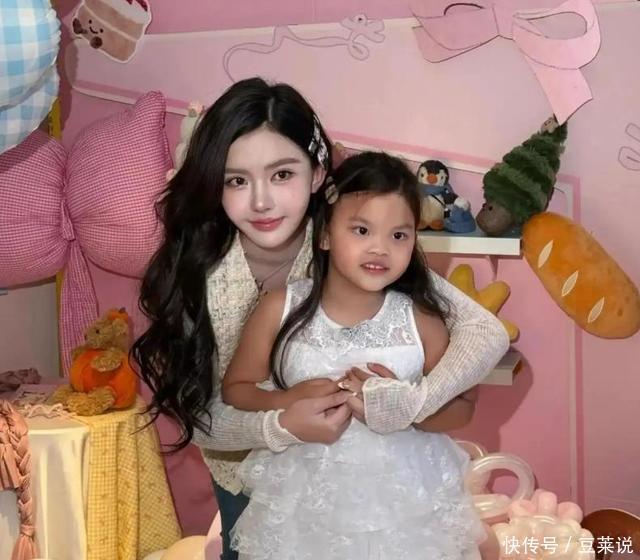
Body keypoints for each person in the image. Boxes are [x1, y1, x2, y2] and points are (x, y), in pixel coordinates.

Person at [132, 77, 509, 560]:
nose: (261, 201)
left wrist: (411, 404)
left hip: (385, 491)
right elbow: (202, 416)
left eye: (282, 174)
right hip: (253, 478)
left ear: (316, 175)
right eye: (236, 180)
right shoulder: (198, 271)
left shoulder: (354, 245)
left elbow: (484, 332)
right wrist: (283, 422)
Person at [222, 151, 486, 559]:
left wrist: (407, 409)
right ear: (325, 235)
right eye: (362, 230)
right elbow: (236, 389)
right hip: (306, 505)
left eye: (399, 236)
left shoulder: (420, 318)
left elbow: (463, 408)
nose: (380, 248)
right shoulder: (280, 308)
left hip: (405, 506)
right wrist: (286, 400)